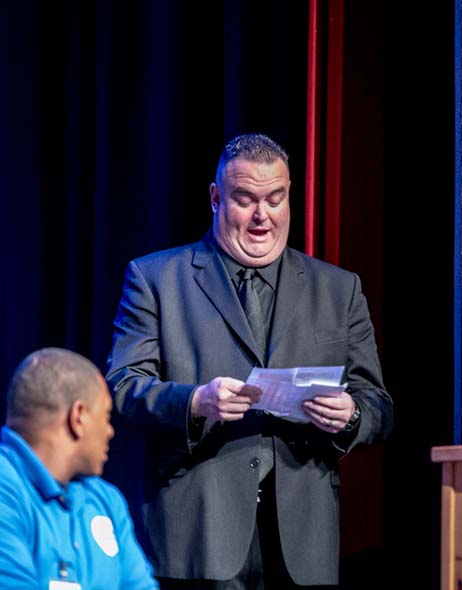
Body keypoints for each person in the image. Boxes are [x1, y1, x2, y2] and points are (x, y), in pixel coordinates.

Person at [105, 132, 393, 589]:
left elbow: (378, 404)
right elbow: (122, 387)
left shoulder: (339, 289)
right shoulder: (157, 278)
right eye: (246, 199)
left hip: (302, 545)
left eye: (275, 198)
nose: (263, 215)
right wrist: (195, 402)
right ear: (216, 198)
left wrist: (352, 414)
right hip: (197, 537)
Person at [0, 347, 158, 589]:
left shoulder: (106, 500)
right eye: (106, 417)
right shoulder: (6, 491)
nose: (110, 431)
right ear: (79, 417)